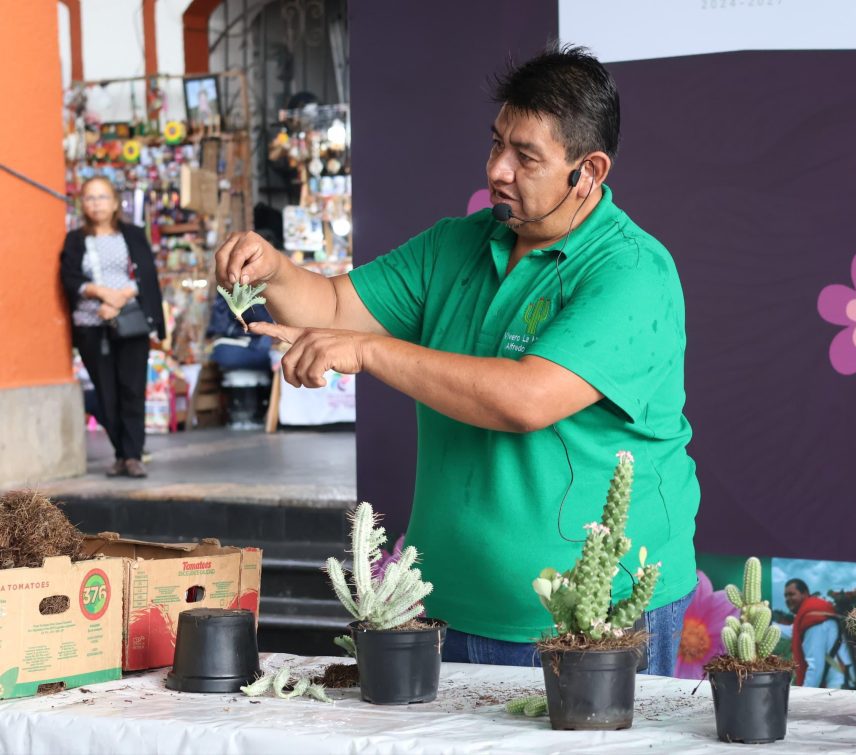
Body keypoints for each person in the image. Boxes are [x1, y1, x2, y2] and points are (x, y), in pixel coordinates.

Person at [214, 44, 700, 675]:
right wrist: (272, 266)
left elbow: (526, 400)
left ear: (589, 171)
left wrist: (370, 351)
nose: (498, 169)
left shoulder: (632, 270)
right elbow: (332, 304)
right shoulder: (457, 244)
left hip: (591, 620)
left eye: (526, 158)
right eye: (497, 143)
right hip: (449, 607)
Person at [60, 175, 165, 478]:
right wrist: (100, 294)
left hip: (129, 320)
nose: (97, 203)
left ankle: (133, 455)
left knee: (132, 388)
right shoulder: (76, 239)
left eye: (102, 197)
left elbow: (146, 274)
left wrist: (119, 297)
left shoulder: (132, 234)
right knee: (105, 393)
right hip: (92, 325)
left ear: (115, 202)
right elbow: (70, 278)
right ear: (83, 203)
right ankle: (120, 452)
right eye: (90, 198)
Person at [784, 578, 853, 688]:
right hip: (840, 682)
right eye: (786, 596)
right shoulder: (817, 612)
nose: (787, 599)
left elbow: (815, 667)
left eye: (792, 594)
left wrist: (803, 700)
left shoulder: (812, 618)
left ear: (805, 593)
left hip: (836, 686)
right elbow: (789, 631)